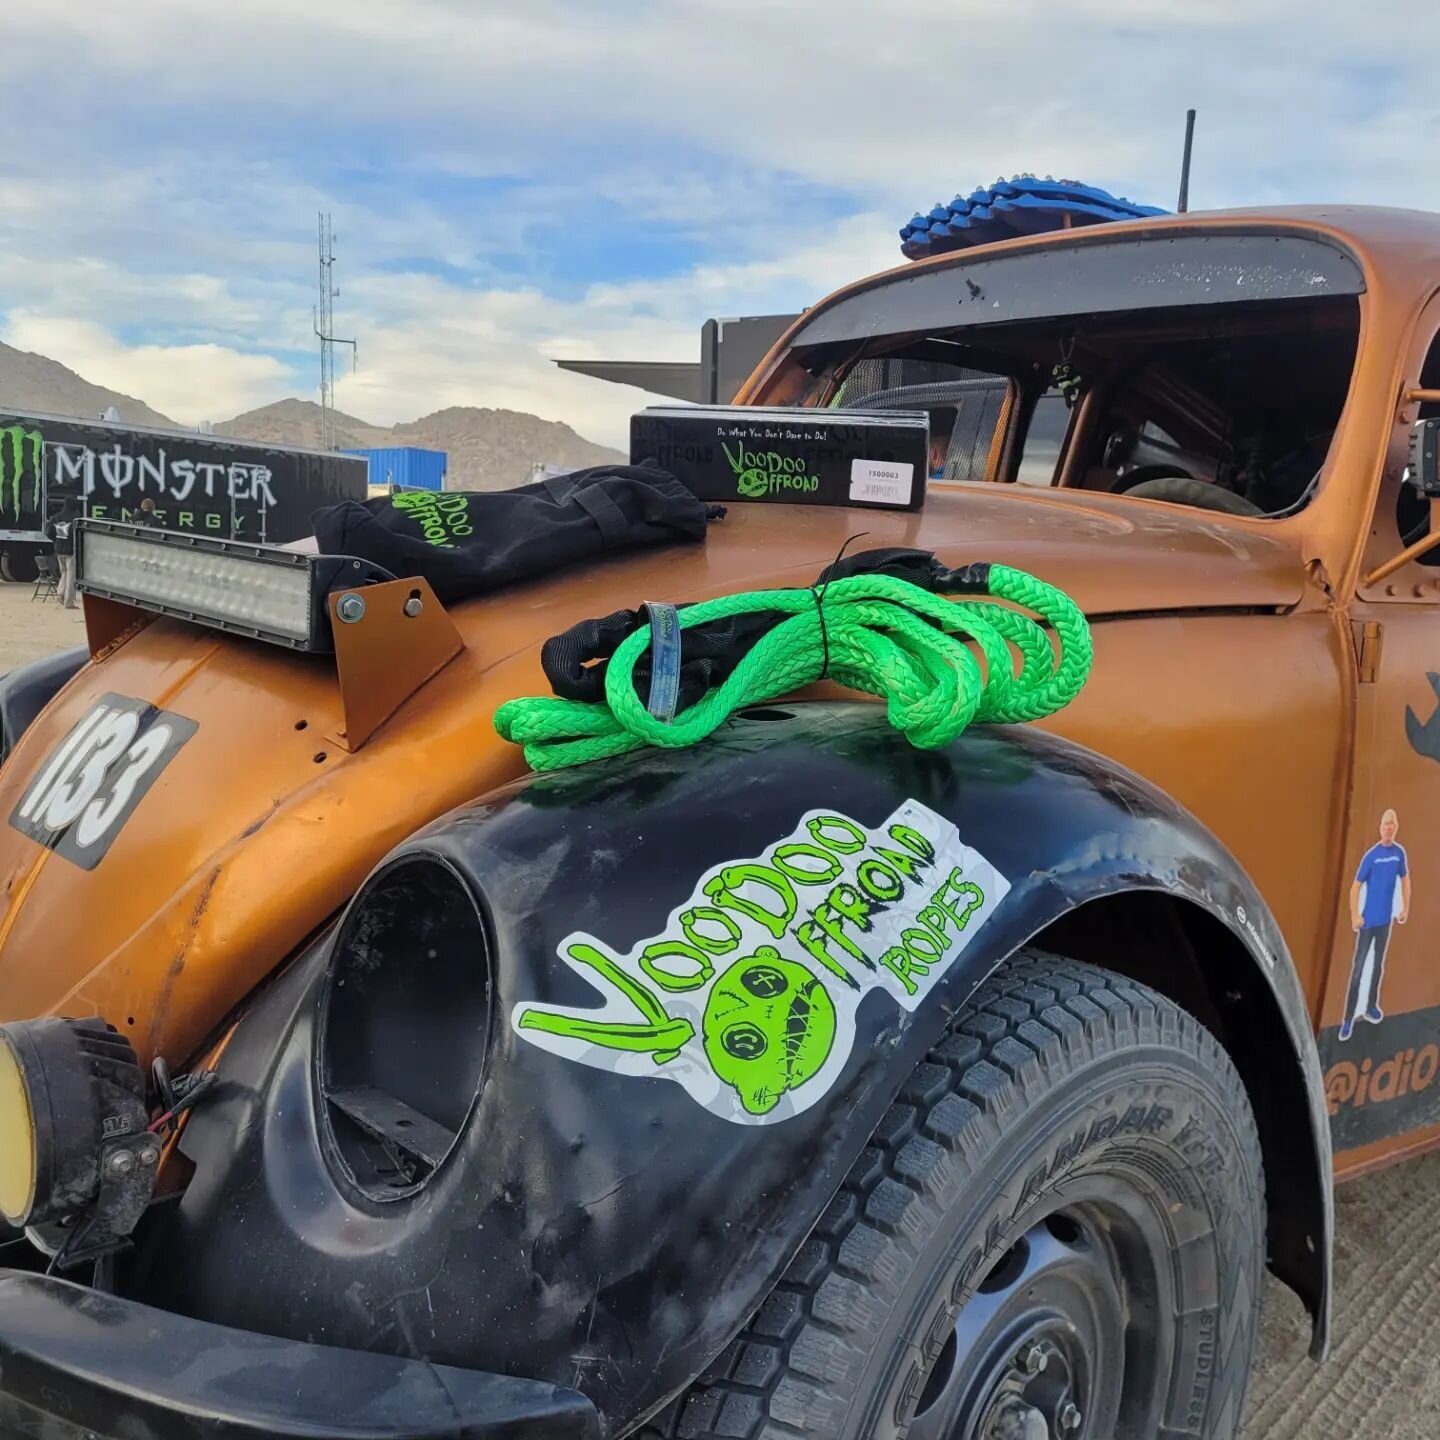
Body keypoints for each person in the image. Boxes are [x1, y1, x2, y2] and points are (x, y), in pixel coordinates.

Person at [1340, 808, 1411, 1041]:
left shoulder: (1399, 854)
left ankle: (1371, 1006)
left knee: (1378, 965)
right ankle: (1348, 1020)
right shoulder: (1372, 855)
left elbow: (1405, 880)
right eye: (1385, 824)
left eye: (1392, 823)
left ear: (1396, 826)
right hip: (1368, 922)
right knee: (1358, 969)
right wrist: (1354, 916)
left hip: (1385, 921)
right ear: (1380, 828)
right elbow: (1355, 887)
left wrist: (1405, 908)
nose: (1389, 827)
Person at [44, 495, 81, 609]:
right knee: (71, 576)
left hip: (59, 549)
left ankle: (60, 594)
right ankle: (68, 602)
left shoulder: (56, 517)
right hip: (71, 550)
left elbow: (49, 532)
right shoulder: (75, 518)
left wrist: (56, 540)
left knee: (63, 573)